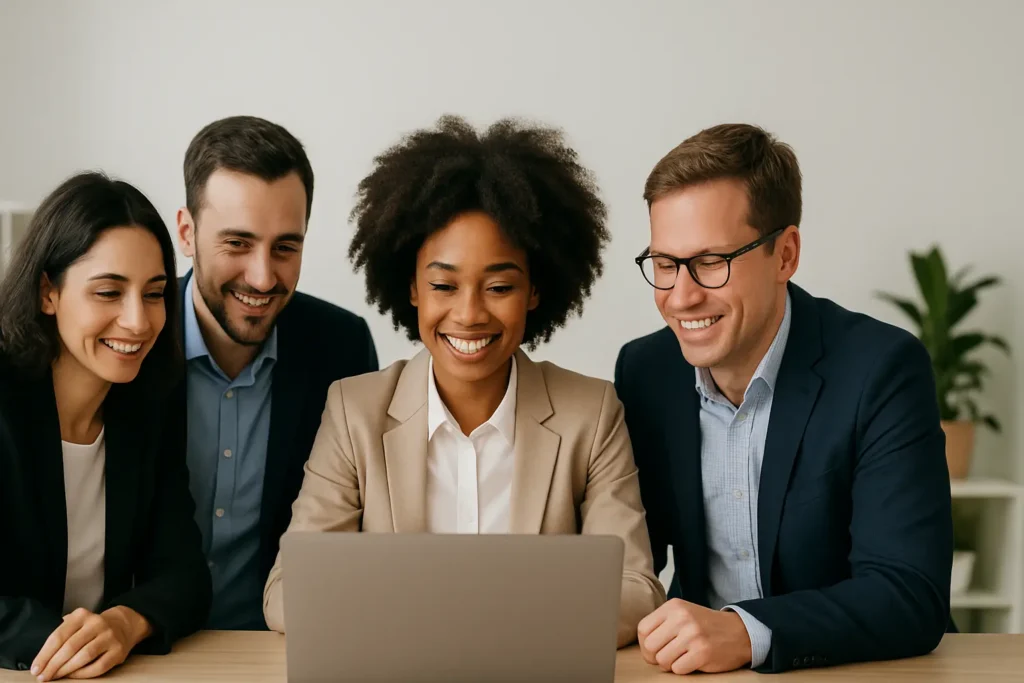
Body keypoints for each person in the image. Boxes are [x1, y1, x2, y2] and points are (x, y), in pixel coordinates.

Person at [262, 114, 666, 646]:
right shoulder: (354, 410)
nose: (470, 314)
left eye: (498, 286)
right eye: (444, 285)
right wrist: (484, 616)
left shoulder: (590, 413)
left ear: (535, 292)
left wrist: (453, 616)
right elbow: (288, 595)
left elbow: (636, 591)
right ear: (411, 288)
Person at [614, 123, 953, 674]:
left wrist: (748, 631)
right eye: (666, 264)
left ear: (785, 255)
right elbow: (634, 558)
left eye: (711, 262)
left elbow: (909, 593)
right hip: (700, 673)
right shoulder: (646, 371)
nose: (681, 296)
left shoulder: (881, 369)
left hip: (863, 669)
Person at [169, 115, 379, 631]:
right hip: (145, 650)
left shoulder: (342, 347)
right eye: (237, 243)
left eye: (286, 247)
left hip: (280, 648)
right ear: (187, 233)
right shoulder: (132, 338)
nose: (263, 276)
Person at [0, 172, 211, 679]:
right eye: (109, 292)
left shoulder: (148, 407)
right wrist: (65, 644)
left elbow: (185, 577)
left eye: (155, 293)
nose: (139, 321)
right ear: (47, 292)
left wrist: (125, 622)